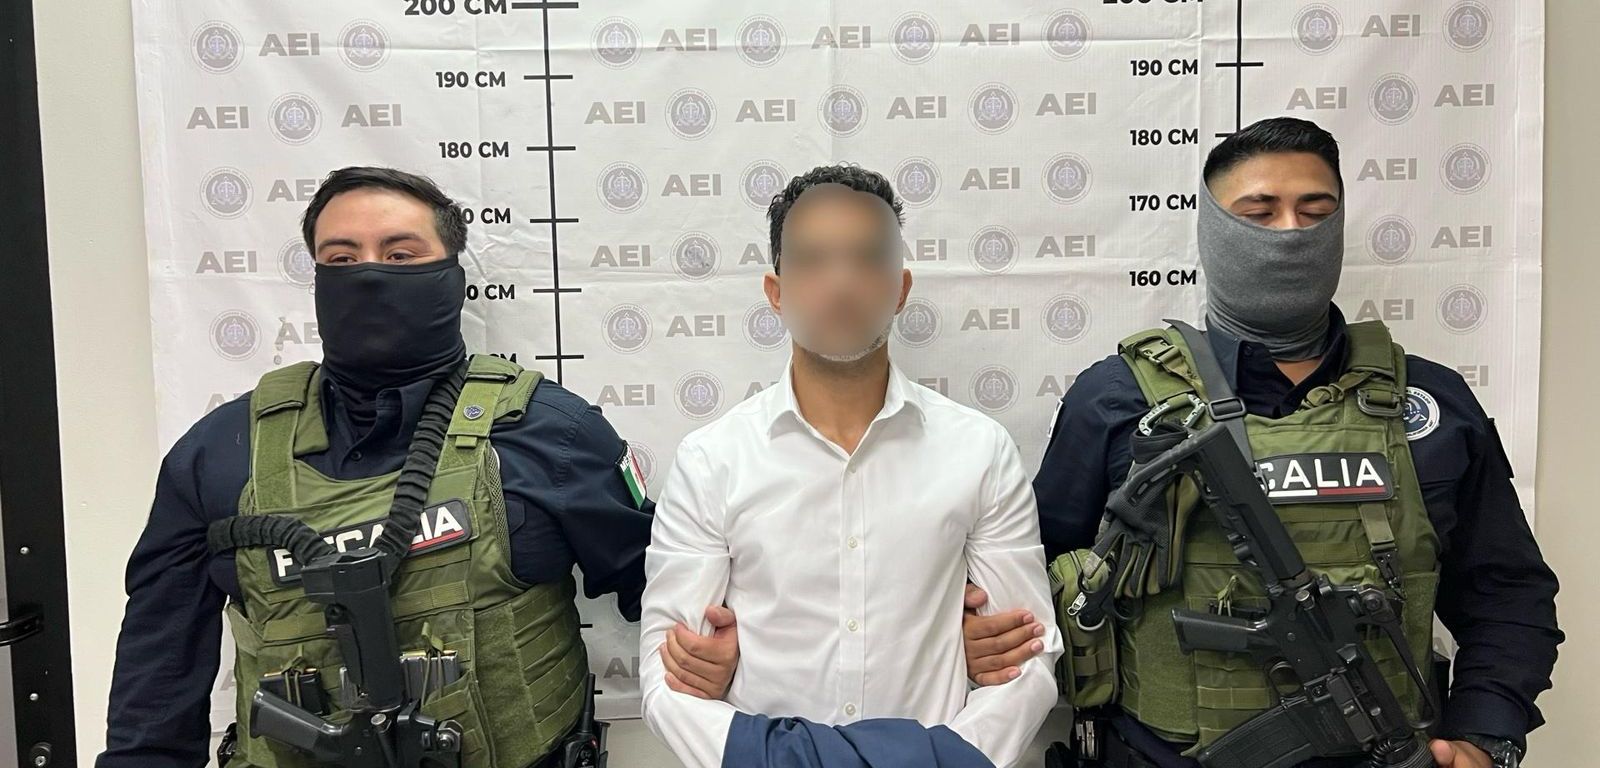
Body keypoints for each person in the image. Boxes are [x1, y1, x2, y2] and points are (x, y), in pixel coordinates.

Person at [97, 166, 737, 768]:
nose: (369, 275)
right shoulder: (220, 454)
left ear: (452, 278)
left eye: (400, 255)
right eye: (341, 259)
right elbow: (159, 669)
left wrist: (719, 652)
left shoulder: (548, 431)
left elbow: (662, 584)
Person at [973, 117, 1560, 768]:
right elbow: (1033, 576)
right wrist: (981, 633)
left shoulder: (1431, 404)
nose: (1290, 233)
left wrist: (1484, 735)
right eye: (1259, 212)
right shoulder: (1118, 399)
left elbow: (1506, 593)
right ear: (1212, 229)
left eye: (1315, 211)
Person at [638, 165, 1062, 768]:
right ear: (776, 291)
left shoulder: (979, 450)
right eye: (813, 260)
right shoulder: (712, 460)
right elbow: (665, 677)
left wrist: (938, 760)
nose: (840, 283)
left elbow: (1028, 657)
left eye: (866, 259)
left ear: (901, 288)